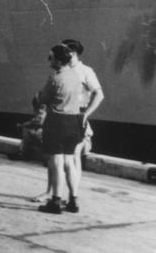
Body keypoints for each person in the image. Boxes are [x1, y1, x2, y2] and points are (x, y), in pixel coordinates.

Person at [36, 43, 85, 214]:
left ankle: (55, 202)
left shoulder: (55, 79)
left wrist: (39, 97)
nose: (49, 60)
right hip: (74, 122)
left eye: (51, 57)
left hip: (57, 122)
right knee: (69, 161)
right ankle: (74, 200)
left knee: (56, 162)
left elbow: (42, 98)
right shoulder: (76, 76)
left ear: (57, 60)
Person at [61, 38, 104, 178]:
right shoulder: (62, 69)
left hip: (75, 116)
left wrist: (85, 114)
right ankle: (53, 193)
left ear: (72, 53)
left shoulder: (85, 71)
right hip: (61, 116)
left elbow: (99, 94)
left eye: (63, 51)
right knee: (57, 157)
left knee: (73, 156)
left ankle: (73, 196)